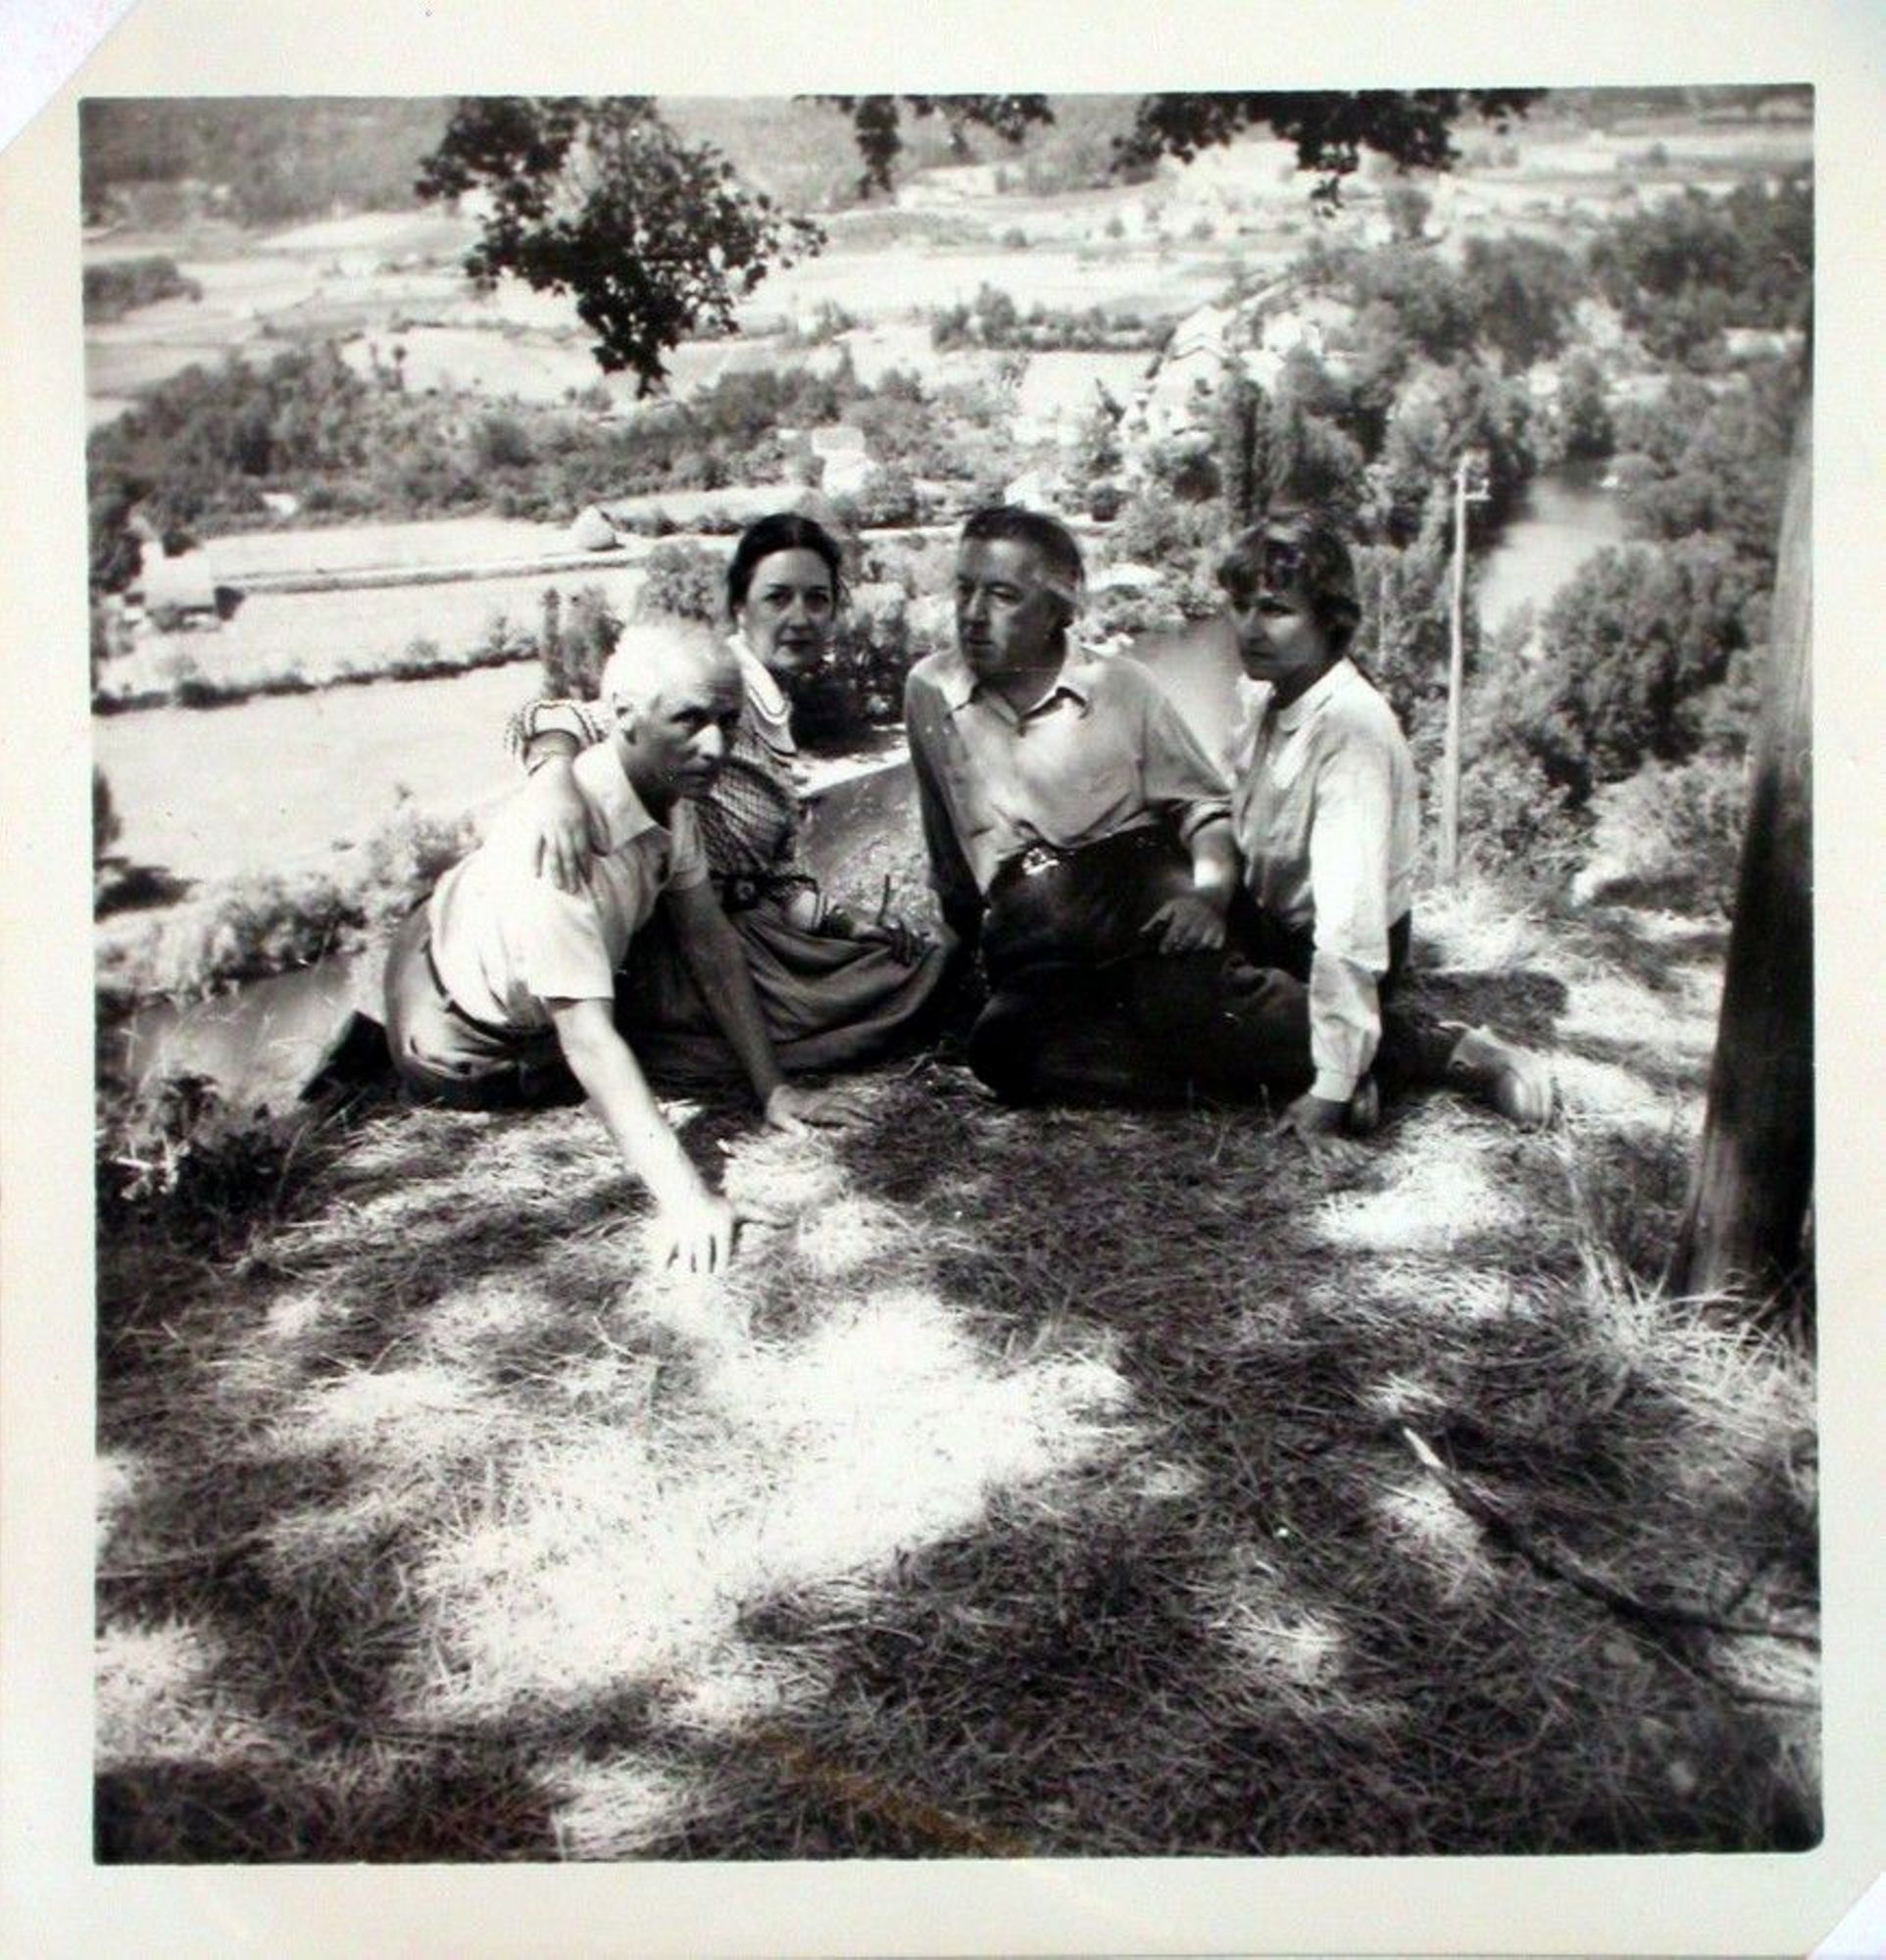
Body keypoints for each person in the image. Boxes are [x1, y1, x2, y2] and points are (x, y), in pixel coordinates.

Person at [382, 620, 858, 1272]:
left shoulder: (668, 786)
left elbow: (709, 941)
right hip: (451, 1030)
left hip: (473, 927)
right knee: (642, 1045)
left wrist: (772, 1089)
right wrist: (688, 1202)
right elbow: (588, 1040)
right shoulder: (567, 848)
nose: (715, 745)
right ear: (624, 718)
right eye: (689, 720)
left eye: (727, 718)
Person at [1126, 504, 1558, 1148]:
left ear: (1331, 620)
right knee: (1147, 959)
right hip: (1270, 922)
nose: (1249, 628)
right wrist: (1209, 898)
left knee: (1179, 1010)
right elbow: (1244, 823)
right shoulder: (1274, 697)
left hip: (1323, 941)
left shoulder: (1350, 731)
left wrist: (1325, 1095)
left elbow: (1349, 925)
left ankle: (1429, 1049)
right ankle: (1345, 1055)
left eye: (1275, 609)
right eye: (1241, 606)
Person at [509, 513, 949, 1087]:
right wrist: (554, 780)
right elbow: (561, 715)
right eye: (778, 598)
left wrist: (844, 921)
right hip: (687, 945)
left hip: (754, 929)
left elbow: (779, 872)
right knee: (901, 996)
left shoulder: (770, 706)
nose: (799, 618)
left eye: (817, 600)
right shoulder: (710, 682)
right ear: (739, 607)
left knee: (904, 964)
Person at [902, 505, 1241, 1100]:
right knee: (1001, 1052)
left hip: (1135, 891)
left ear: (1059, 609)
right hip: (1032, 928)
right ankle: (1225, 1078)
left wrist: (1209, 898)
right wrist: (956, 972)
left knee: (1189, 1002)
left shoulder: (1121, 687)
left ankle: (1406, 1051)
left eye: (1003, 595)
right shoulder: (929, 690)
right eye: (964, 589)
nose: (973, 615)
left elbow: (1204, 808)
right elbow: (947, 849)